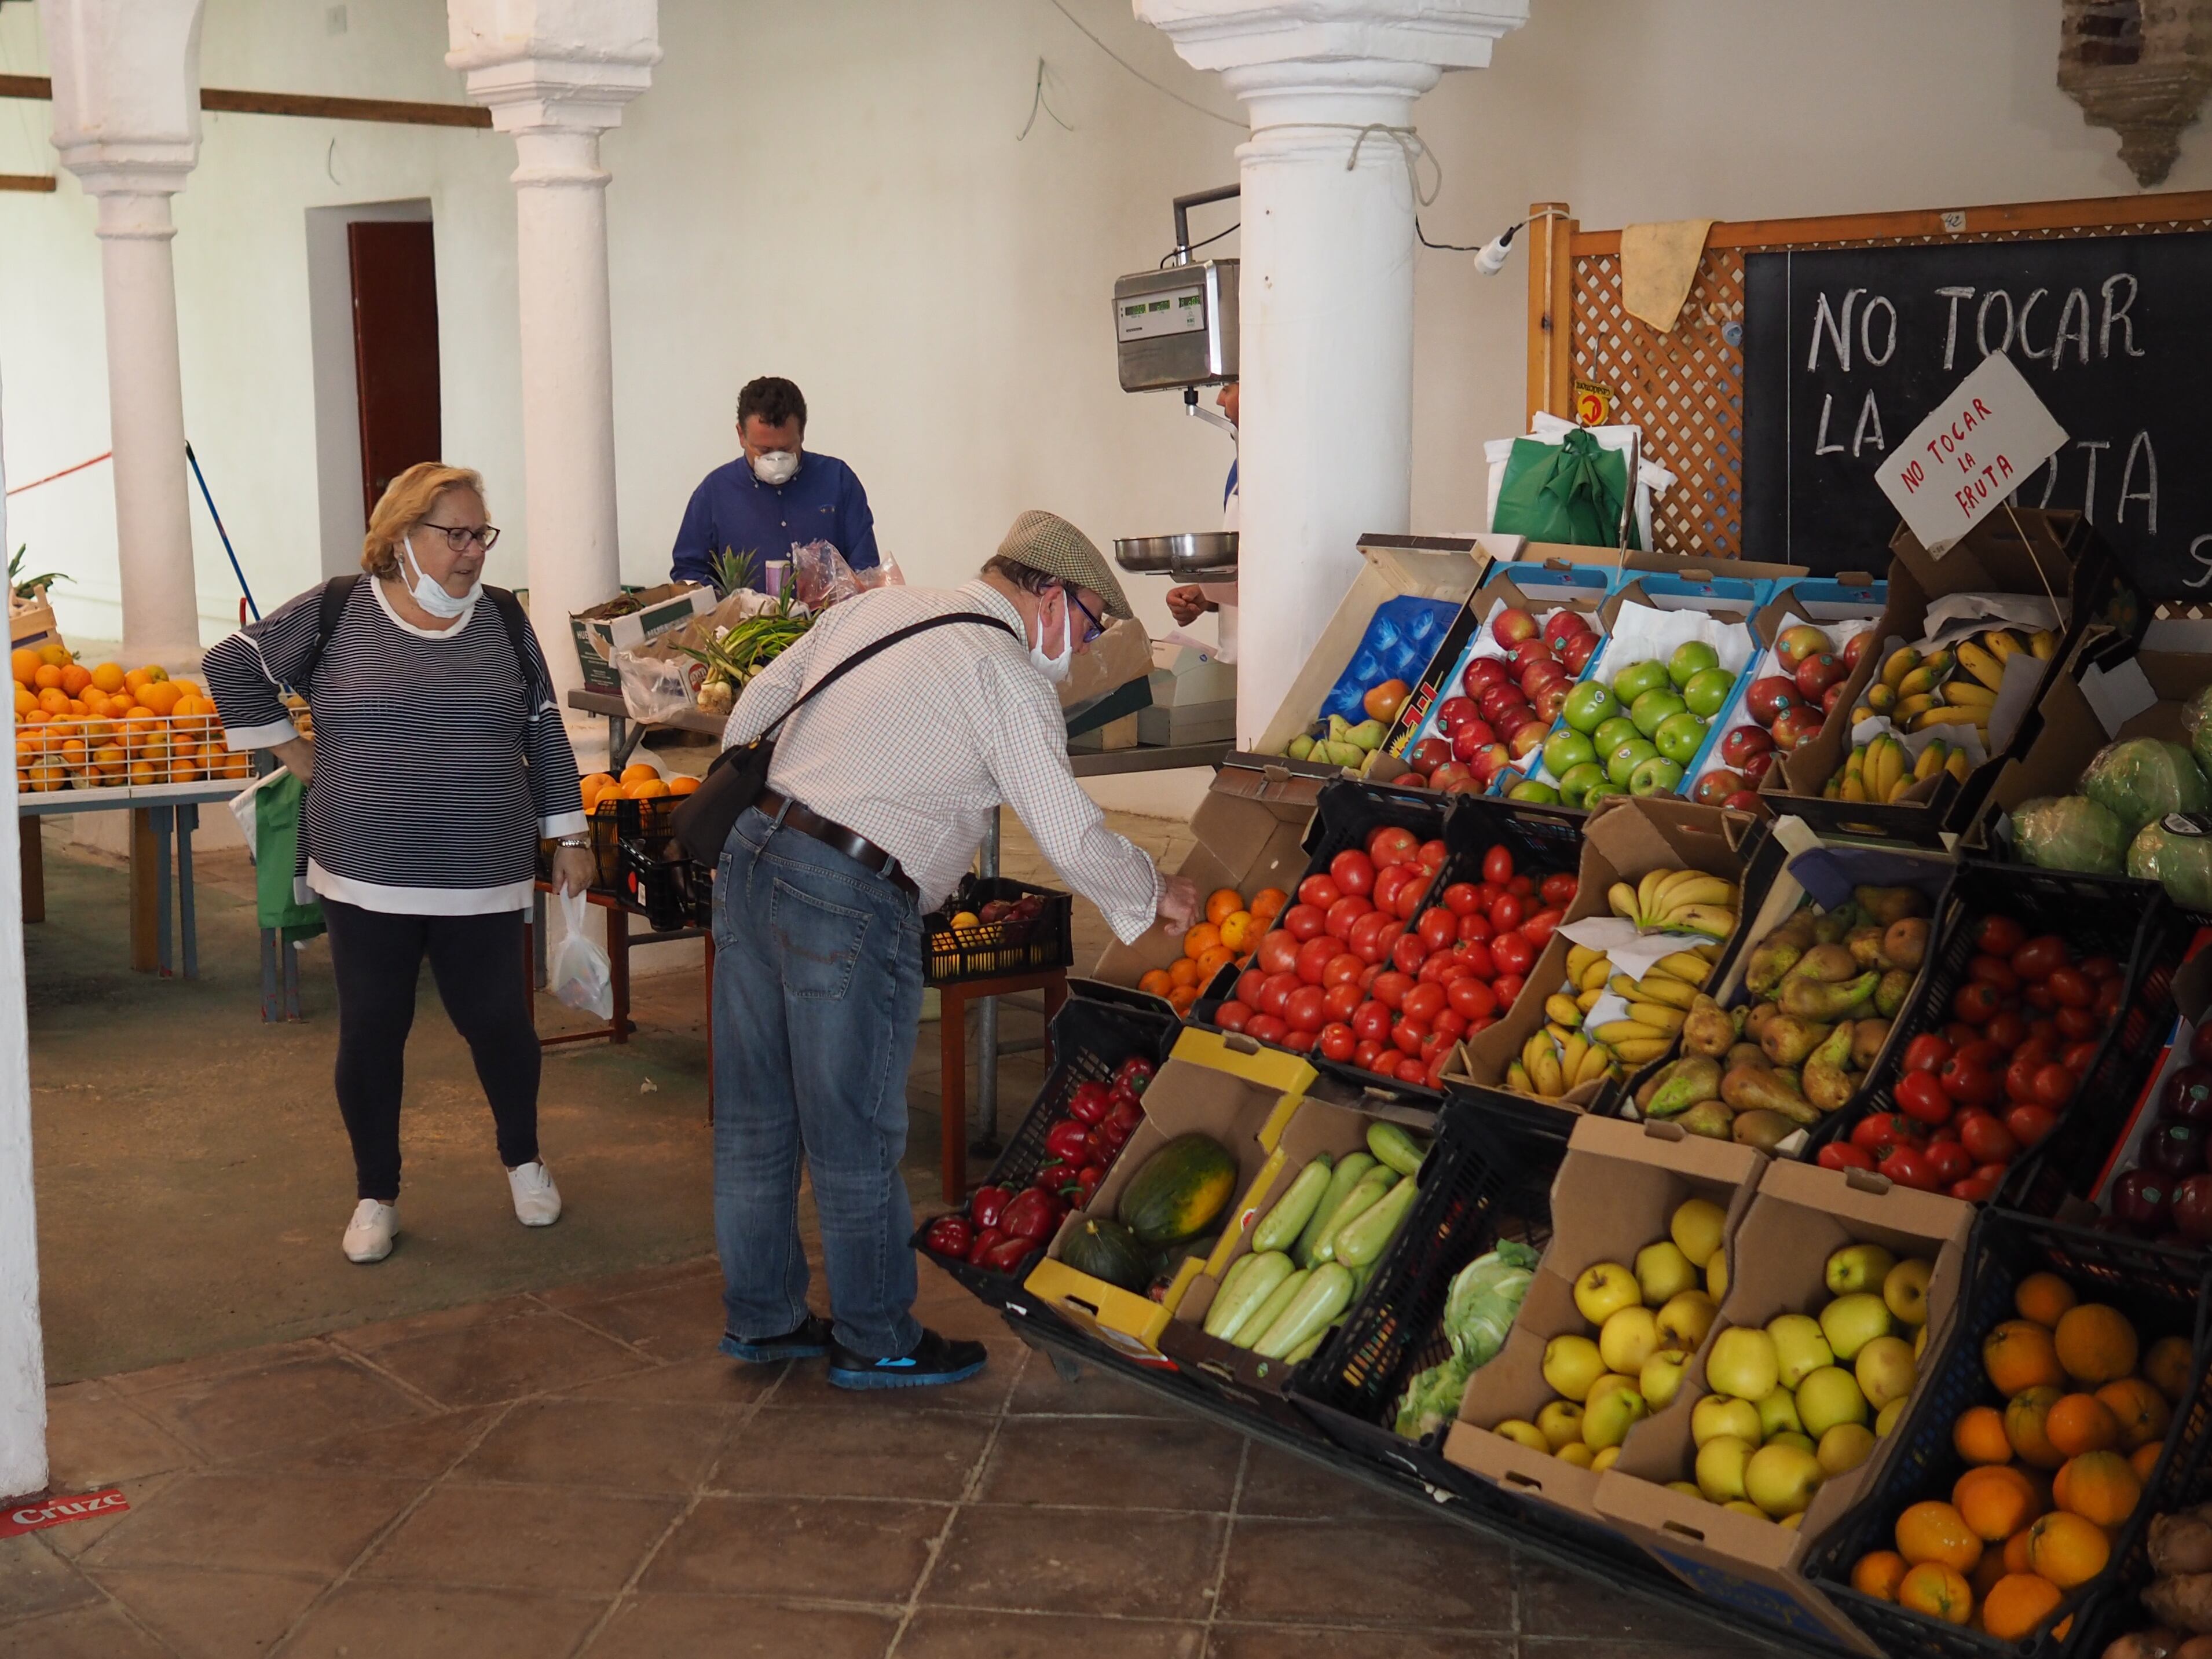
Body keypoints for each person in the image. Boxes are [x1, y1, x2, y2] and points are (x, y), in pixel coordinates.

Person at [711, 510, 1198, 1390]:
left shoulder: (876, 611)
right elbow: (1068, 829)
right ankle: (875, 1334)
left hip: (753, 855)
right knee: (853, 1126)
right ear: (1051, 594)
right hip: (850, 892)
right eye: (1088, 625)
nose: (1082, 647)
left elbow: (755, 707)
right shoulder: (1003, 671)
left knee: (755, 1116)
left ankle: (765, 1318)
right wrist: (1152, 892)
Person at [204, 463, 595, 1265]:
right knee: (375, 1031)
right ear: (400, 538)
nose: (472, 552)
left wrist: (571, 835)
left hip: (482, 866)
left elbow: (543, 726)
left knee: (498, 1025)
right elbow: (230, 664)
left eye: (481, 534)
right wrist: (297, 753)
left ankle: (524, 1160)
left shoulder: (503, 618)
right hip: (364, 869)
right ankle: (375, 1193)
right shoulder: (338, 608)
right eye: (454, 534)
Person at [670, 376, 880, 587]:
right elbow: (688, 571)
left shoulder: (838, 480)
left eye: (787, 449)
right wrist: (731, 606)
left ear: (802, 433)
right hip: (746, 619)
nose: (776, 459)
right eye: (764, 450)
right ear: (741, 435)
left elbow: (866, 568)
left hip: (833, 618)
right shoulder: (715, 493)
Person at [1165, 379, 1239, 659]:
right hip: (1235, 663)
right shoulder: (1237, 472)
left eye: (1228, 388)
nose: (1219, 401)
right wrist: (1205, 594)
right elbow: (1243, 572)